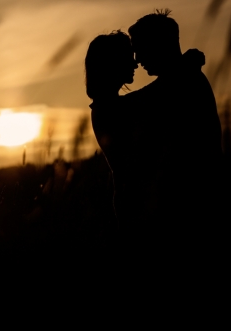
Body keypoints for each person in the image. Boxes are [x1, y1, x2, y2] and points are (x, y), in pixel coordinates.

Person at [84, 29, 206, 235]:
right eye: (127, 58)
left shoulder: (109, 106)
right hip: (137, 209)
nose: (135, 64)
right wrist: (183, 66)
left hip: (136, 205)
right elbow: (156, 91)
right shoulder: (107, 109)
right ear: (111, 64)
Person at [127, 9, 222, 233]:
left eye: (140, 48)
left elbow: (135, 103)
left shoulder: (184, 82)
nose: (138, 59)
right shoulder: (183, 77)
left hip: (190, 216)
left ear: (158, 44)